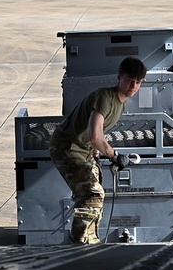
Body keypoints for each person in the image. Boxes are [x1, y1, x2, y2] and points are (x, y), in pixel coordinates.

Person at [48, 57, 147, 244]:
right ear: (119, 77)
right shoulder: (105, 98)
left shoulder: (121, 102)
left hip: (82, 149)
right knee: (92, 193)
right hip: (67, 146)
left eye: (138, 82)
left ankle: (90, 238)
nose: (133, 86)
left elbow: (95, 133)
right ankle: (78, 242)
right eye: (129, 80)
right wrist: (115, 155)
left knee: (97, 189)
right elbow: (96, 135)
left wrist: (95, 152)